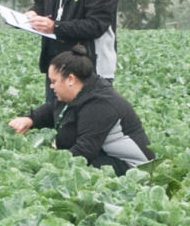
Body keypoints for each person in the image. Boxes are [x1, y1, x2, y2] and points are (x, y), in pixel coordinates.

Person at [9, 45, 152, 172]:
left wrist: (45, 166)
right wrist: (30, 119)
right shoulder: (79, 90)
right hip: (105, 155)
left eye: (54, 81)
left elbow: (84, 152)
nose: (51, 86)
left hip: (134, 167)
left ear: (71, 79)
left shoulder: (100, 104)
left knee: (81, 172)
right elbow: (52, 108)